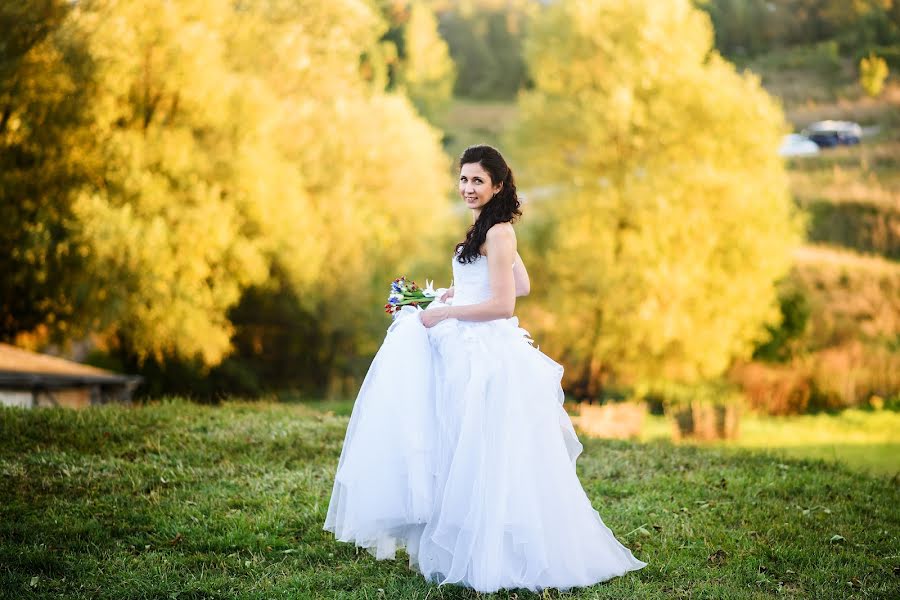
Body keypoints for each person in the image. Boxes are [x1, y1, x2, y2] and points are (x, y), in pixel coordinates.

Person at [324, 145, 647, 593]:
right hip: (466, 343)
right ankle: (461, 539)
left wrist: (445, 314)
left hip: (484, 356)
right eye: (463, 179)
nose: (468, 188)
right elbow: (520, 282)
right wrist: (451, 297)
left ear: (497, 185)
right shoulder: (488, 227)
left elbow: (503, 304)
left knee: (483, 449)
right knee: (460, 447)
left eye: (478, 180)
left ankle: (493, 554)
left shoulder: (498, 233)